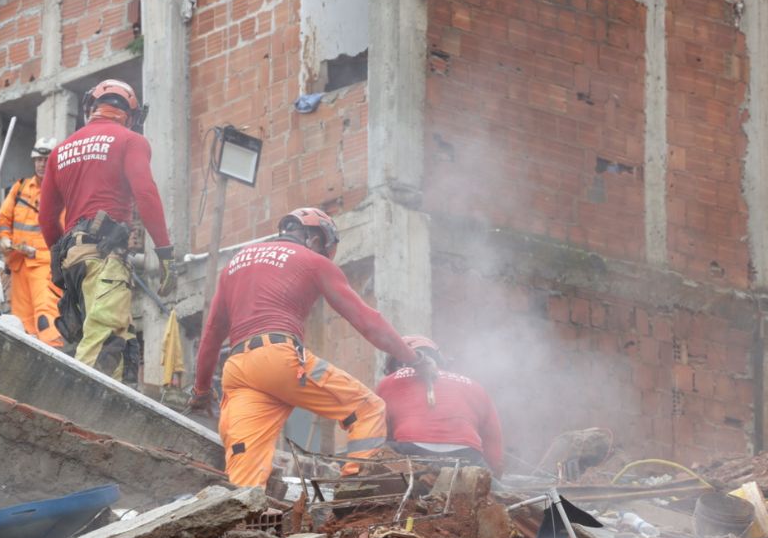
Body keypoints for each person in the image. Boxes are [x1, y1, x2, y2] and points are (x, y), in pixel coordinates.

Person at [189, 207, 437, 488]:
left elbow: (211, 334)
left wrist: (200, 390)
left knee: (245, 470)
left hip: (238, 371)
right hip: (278, 358)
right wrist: (414, 359)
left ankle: (241, 521)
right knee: (367, 409)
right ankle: (355, 489)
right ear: (317, 239)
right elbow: (368, 321)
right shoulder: (312, 261)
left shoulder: (234, 265)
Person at [38, 79, 175, 379]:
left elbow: (47, 219)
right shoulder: (130, 141)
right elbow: (147, 195)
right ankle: (73, 410)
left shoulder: (60, 152)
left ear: (91, 108)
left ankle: (117, 417)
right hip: (106, 258)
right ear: (131, 114)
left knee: (119, 346)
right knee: (101, 341)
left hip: (73, 260)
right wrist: (165, 253)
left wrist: (60, 261)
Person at [377, 335, 504, 476]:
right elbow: (493, 439)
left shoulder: (388, 382)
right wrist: (495, 478)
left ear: (393, 364)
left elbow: (379, 433)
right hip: (467, 455)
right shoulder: (473, 385)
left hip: (411, 452)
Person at [0, 137, 63, 347]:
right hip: (18, 264)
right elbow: (3, 219)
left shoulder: (61, 191)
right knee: (21, 323)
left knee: (47, 318)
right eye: (38, 159)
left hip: (44, 265)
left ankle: (53, 360)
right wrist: (4, 239)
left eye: (46, 159)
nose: (42, 164)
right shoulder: (20, 187)